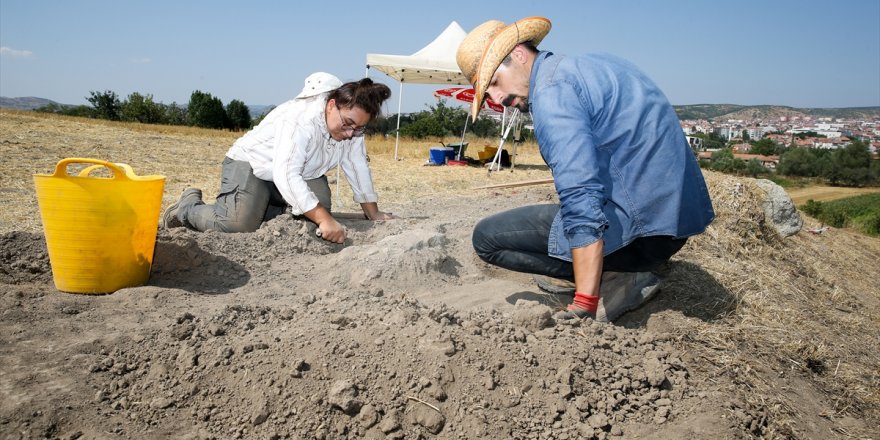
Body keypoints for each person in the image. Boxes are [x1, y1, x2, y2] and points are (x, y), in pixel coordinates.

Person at [457, 17, 715, 321]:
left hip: (643, 237)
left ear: (518, 54)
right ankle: (612, 270)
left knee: (486, 238)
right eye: (488, 94)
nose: (498, 100)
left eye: (495, 84)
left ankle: (615, 279)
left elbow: (581, 196)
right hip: (675, 223)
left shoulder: (552, 93)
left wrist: (585, 302)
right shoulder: (593, 64)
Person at [162, 73, 396, 243]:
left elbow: (357, 167)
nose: (350, 134)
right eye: (347, 124)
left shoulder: (353, 129)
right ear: (331, 105)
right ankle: (187, 207)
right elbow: (286, 173)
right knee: (238, 224)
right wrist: (324, 219)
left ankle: (259, 207)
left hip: (303, 173)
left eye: (359, 129)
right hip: (253, 165)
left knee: (316, 211)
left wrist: (372, 211)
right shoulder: (300, 120)